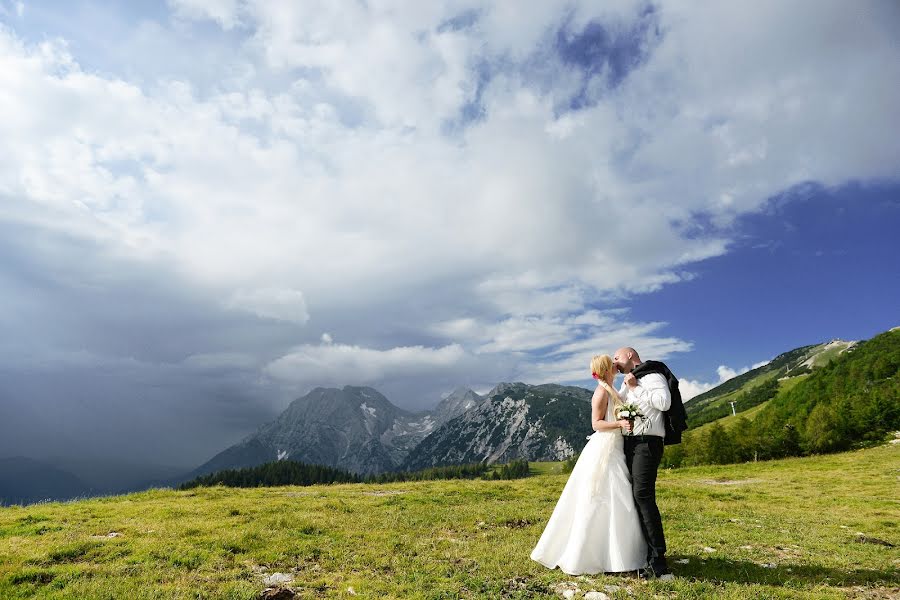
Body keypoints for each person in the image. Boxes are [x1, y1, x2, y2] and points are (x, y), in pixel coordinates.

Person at [530, 354, 648, 575]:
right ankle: (595, 554)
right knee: (607, 494)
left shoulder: (611, 388)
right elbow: (596, 424)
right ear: (605, 369)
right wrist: (620, 423)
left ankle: (618, 554)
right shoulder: (601, 391)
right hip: (605, 448)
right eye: (611, 363)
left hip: (615, 445)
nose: (615, 364)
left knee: (616, 495)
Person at [613, 346, 672, 579]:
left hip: (648, 443)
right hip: (629, 443)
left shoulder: (653, 376)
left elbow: (664, 403)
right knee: (630, 495)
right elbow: (621, 407)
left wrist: (636, 388)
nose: (615, 362)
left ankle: (658, 559)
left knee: (643, 495)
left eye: (616, 357)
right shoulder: (627, 381)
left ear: (629, 355)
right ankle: (638, 552)